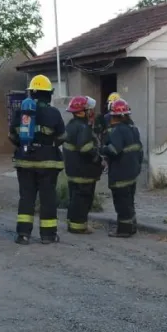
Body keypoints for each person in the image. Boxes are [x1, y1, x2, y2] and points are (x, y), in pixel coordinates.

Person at [9, 74, 66, 245]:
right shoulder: (53, 113)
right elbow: (62, 136)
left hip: (24, 161)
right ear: (48, 94)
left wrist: (24, 144)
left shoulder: (20, 112)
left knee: (26, 198)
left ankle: (23, 235)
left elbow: (11, 135)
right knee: (48, 198)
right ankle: (48, 235)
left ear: (31, 93)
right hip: (48, 163)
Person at [99, 99, 143, 238]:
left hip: (120, 174)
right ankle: (132, 227)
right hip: (132, 173)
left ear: (115, 116)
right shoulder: (134, 129)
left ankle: (124, 230)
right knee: (129, 201)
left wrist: (102, 149)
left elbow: (114, 150)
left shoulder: (118, 130)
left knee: (121, 204)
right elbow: (139, 150)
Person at [62, 95, 102, 234]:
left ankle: (72, 223)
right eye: (89, 109)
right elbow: (85, 148)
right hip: (83, 171)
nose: (92, 112)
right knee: (83, 199)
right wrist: (97, 158)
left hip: (73, 170)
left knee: (74, 198)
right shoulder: (83, 127)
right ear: (82, 112)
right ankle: (79, 227)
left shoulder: (71, 125)